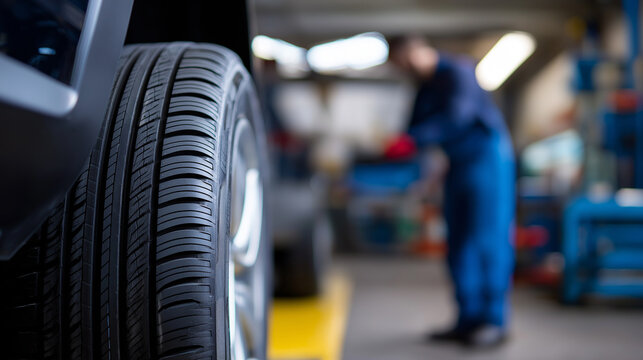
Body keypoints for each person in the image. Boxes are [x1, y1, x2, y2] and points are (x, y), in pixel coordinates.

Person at [388, 36, 515, 348]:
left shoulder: (458, 70)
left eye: (404, 60)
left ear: (416, 49)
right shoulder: (424, 87)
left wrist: (413, 139)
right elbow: (414, 127)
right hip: (456, 164)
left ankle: (493, 321)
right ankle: (467, 319)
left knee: (487, 239)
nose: (403, 68)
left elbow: (456, 117)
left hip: (487, 159)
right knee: (457, 241)